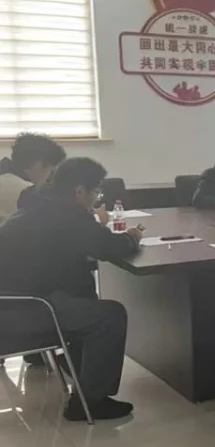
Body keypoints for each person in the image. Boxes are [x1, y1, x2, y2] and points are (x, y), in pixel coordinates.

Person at [0, 158, 143, 421]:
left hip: (12, 302)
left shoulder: (36, 206)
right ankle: (90, 401)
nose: (97, 199)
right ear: (79, 191)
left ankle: (78, 366)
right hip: (26, 309)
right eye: (96, 192)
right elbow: (108, 247)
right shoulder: (68, 215)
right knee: (110, 315)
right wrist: (132, 238)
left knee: (83, 294)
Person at [0, 132, 66, 222]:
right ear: (38, 164)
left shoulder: (5, 180)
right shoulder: (30, 194)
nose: (49, 178)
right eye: (50, 170)